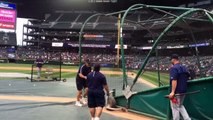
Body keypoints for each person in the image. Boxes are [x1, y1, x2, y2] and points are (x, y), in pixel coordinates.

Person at [168, 54, 191, 120]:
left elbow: (174, 80)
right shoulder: (184, 67)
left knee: (175, 108)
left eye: (171, 60)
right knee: (180, 106)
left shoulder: (174, 68)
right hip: (184, 91)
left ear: (173, 59)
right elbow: (188, 76)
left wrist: (172, 92)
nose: (171, 61)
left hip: (177, 92)